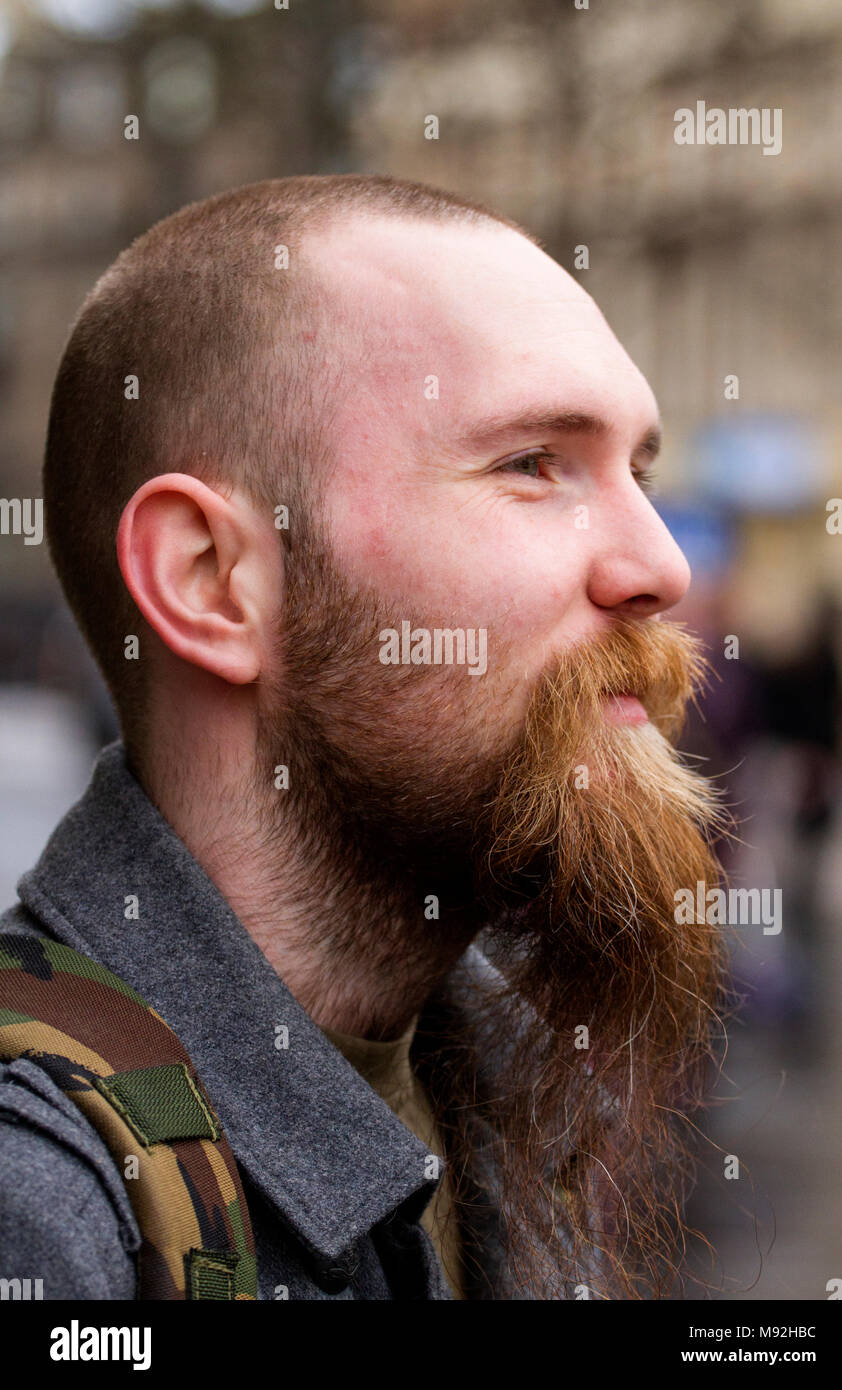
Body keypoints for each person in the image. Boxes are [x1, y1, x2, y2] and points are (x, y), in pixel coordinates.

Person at [0, 175, 727, 1300]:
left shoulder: (517, 1080)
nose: (660, 567)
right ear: (209, 580)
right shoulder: (42, 1203)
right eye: (532, 463)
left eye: (637, 472)